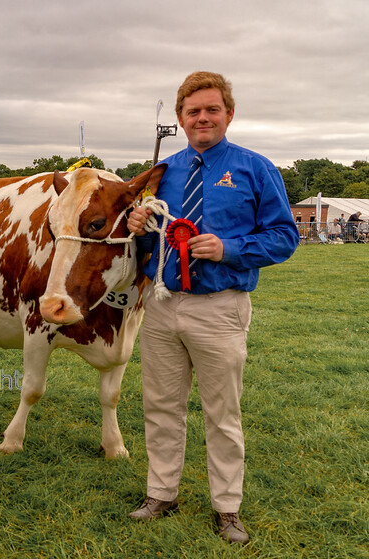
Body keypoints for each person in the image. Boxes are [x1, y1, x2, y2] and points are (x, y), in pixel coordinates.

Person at [126, 71, 299, 545]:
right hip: (162, 306)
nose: (201, 118)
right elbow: (148, 240)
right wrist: (138, 222)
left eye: (211, 110)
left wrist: (229, 248)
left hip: (220, 307)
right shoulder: (163, 171)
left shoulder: (255, 168)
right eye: (192, 111)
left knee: (222, 413)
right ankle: (161, 492)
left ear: (229, 113)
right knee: (160, 406)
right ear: (181, 118)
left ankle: (227, 507)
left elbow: (285, 237)